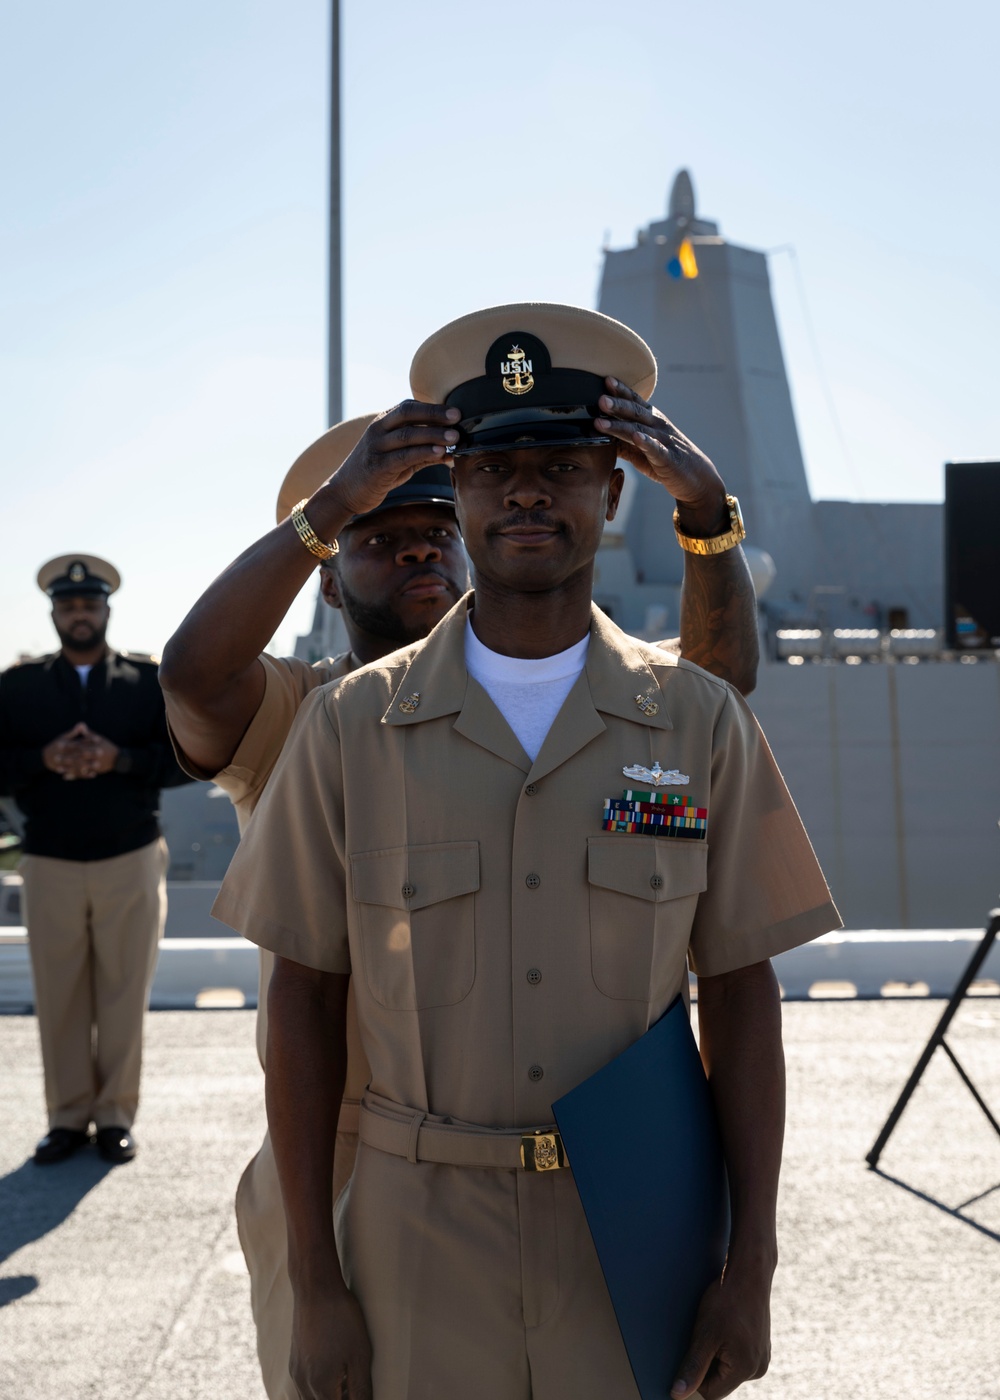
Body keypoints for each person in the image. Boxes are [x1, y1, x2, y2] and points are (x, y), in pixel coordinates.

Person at [211, 302, 841, 1400]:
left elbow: (741, 992)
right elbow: (301, 1003)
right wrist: (315, 1278)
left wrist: (753, 1265)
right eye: (496, 468)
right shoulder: (350, 728)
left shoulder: (694, 722)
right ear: (458, 494)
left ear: (613, 488)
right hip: (415, 1233)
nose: (528, 491)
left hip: (636, 1232)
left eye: (561, 463)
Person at [0, 555, 192, 1165]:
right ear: (54, 613)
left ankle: (113, 1117)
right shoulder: (17, 687)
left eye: (89, 605)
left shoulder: (145, 681)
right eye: (68, 606)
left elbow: (185, 758)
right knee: (59, 996)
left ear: (107, 609)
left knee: (122, 992)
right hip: (50, 858)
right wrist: (43, 759)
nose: (79, 614)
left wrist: (120, 760)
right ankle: (66, 1119)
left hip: (128, 854)